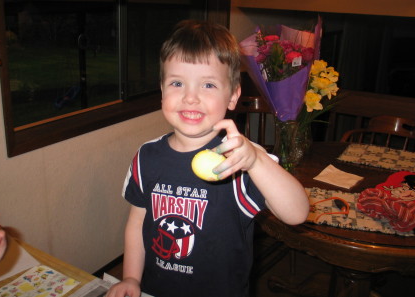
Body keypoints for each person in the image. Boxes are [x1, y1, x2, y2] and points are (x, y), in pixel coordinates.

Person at [106, 20, 310, 297]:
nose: (190, 98)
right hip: (156, 289)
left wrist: (256, 162)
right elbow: (137, 223)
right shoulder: (147, 156)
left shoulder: (240, 157)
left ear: (233, 96)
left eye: (209, 85)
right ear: (162, 89)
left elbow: (297, 214)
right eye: (177, 83)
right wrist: (130, 277)